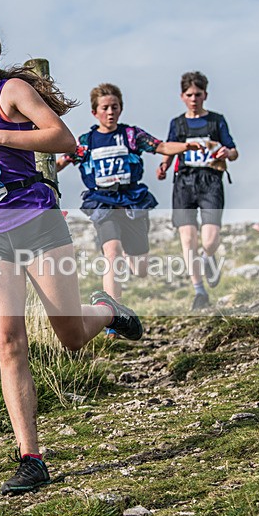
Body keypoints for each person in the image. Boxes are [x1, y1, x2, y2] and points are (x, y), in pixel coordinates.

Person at [0, 21, 142, 496]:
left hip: (37, 225)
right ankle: (31, 458)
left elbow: (63, 140)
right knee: (8, 341)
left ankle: (107, 309)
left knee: (68, 336)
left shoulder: (14, 92)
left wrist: (0, 136)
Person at [57, 83, 203, 336]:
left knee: (140, 268)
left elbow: (162, 146)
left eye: (115, 107)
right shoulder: (86, 142)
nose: (110, 112)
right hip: (103, 203)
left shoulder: (132, 136)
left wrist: (185, 147)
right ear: (95, 112)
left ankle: (127, 258)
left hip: (133, 203)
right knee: (111, 253)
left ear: (121, 108)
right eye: (105, 108)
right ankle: (113, 318)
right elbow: (62, 161)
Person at [156, 71, 238, 310]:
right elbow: (169, 149)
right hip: (184, 182)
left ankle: (208, 258)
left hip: (211, 181)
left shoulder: (216, 121)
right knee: (188, 240)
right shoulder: (177, 124)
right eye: (189, 95)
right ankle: (199, 291)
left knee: (210, 239)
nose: (194, 99)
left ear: (205, 95)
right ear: (182, 96)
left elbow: (234, 150)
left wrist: (227, 152)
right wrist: (163, 167)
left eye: (198, 94)